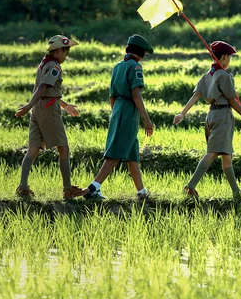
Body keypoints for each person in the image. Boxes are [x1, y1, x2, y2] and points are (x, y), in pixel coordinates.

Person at [173, 41, 241, 198]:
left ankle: (237, 193)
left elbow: (196, 95)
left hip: (211, 116)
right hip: (223, 116)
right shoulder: (223, 75)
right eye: (229, 57)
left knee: (226, 155)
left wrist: (182, 113)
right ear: (223, 57)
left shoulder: (208, 75)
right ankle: (190, 186)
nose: (229, 60)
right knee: (213, 153)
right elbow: (232, 100)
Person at [79, 34, 154, 200]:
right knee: (115, 153)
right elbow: (136, 95)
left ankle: (141, 192)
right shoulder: (135, 68)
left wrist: (116, 114)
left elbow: (111, 95)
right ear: (140, 53)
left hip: (118, 109)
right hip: (128, 110)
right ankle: (93, 187)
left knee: (132, 153)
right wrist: (146, 119)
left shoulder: (118, 66)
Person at [15, 35, 82, 199]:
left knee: (33, 148)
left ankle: (22, 185)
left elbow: (46, 91)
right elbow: (44, 87)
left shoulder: (43, 64)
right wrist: (27, 105)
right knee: (63, 148)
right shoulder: (55, 67)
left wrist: (65, 106)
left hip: (38, 109)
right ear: (59, 51)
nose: (66, 57)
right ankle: (68, 189)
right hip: (47, 109)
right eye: (66, 53)